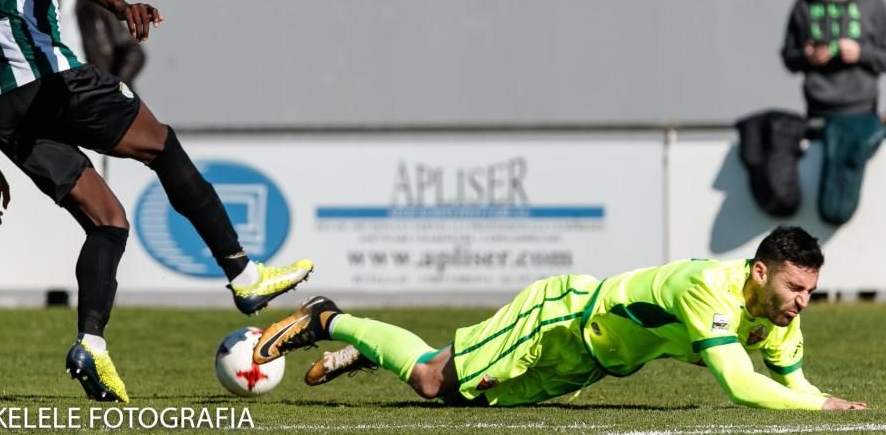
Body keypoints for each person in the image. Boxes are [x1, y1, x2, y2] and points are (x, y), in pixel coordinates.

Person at [0, 0, 313, 404]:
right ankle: (243, 272)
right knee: (161, 145)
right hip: (55, 83)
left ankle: (91, 342)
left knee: (108, 223)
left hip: (3, 115)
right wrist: (121, 6)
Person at [254, 226, 866, 411]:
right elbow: (736, 383)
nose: (801, 302)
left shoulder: (781, 313)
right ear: (760, 272)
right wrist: (824, 411)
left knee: (458, 396)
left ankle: (375, 348)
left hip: (589, 364)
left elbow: (794, 379)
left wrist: (826, 399)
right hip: (563, 318)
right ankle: (328, 319)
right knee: (433, 382)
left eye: (810, 291)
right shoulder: (709, 288)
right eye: (794, 288)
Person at [782, 0, 886, 118]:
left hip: (861, 110)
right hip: (818, 109)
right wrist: (807, 56)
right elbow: (788, 56)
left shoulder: (873, 5)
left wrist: (861, 53)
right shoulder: (805, 5)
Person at [76, 0, 146, 89]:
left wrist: (116, 86)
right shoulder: (51, 9)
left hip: (99, 94)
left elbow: (133, 51)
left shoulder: (92, 5)